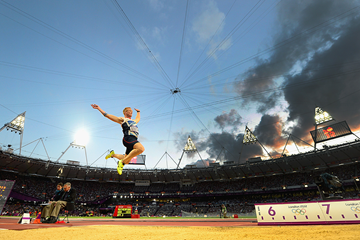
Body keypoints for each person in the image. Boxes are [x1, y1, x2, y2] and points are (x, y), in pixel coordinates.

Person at [91, 104, 145, 175]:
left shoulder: (134, 121)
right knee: (141, 149)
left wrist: (138, 112)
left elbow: (138, 118)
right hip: (128, 138)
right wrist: (99, 108)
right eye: (129, 111)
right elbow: (108, 116)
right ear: (125, 112)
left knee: (127, 160)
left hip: (133, 139)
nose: (131, 112)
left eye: (131, 111)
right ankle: (121, 163)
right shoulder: (123, 119)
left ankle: (112, 155)